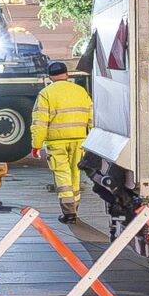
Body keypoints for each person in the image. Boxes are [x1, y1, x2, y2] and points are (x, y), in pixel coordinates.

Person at [31, 60, 94, 223]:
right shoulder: (81, 91)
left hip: (57, 142)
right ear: (67, 75)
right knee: (75, 174)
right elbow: (92, 118)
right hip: (80, 141)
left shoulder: (46, 94)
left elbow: (39, 123)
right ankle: (75, 208)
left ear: (50, 77)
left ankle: (69, 212)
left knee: (62, 175)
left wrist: (36, 145)